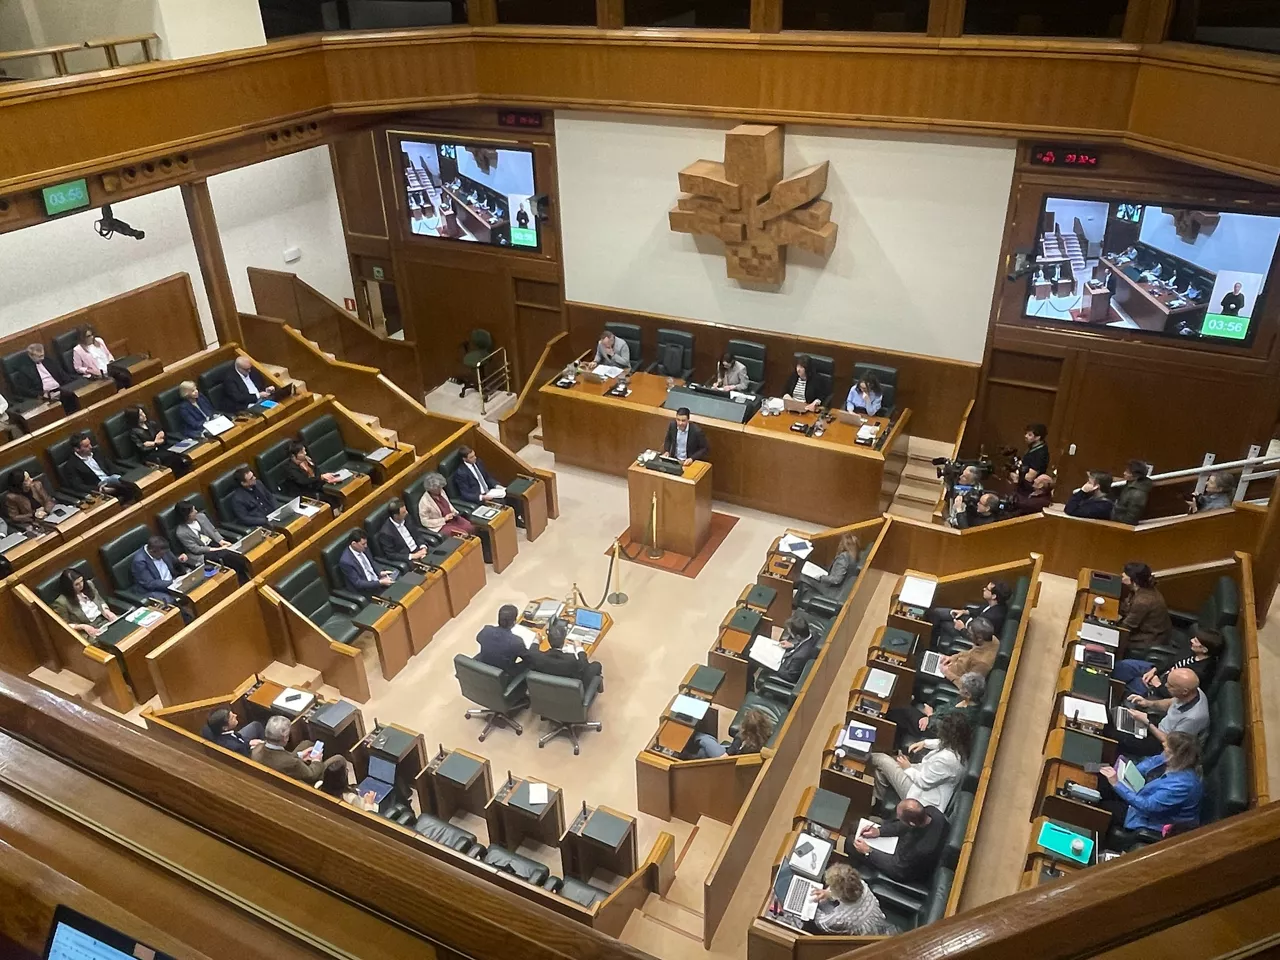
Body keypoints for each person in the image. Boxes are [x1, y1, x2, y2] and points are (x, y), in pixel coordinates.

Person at [1098, 731, 1203, 835]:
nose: (1163, 744)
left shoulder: (1182, 785)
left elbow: (1148, 806)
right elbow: (1150, 763)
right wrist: (1127, 772)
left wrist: (1116, 784)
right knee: (1101, 783)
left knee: (1102, 807)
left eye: (1168, 747)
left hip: (1147, 819)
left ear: (1176, 755)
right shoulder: (1170, 758)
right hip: (1141, 794)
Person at [868, 712, 969, 810]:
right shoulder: (959, 746)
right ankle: (877, 804)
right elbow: (943, 744)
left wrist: (907, 767)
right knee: (881, 769)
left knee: (881, 759)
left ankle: (860, 754)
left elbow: (923, 782)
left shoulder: (946, 760)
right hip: (921, 780)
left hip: (919, 796)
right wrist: (925, 743)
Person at [847, 798, 946, 884]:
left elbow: (897, 868)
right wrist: (879, 831)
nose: (897, 818)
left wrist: (868, 851)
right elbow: (903, 825)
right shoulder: (931, 812)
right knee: (856, 826)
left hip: (903, 868)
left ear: (912, 824)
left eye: (899, 818)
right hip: (904, 850)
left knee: (851, 842)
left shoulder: (921, 849)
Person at [1118, 666, 1209, 755]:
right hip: (1161, 726)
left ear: (1185, 691)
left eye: (1171, 685)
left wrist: (1147, 722)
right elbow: (1171, 702)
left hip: (1164, 745)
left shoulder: (1193, 718)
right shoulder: (1193, 691)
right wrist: (1148, 703)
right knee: (1125, 718)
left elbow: (1171, 743)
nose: (1165, 685)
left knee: (1119, 737)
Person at [887, 672, 984, 753]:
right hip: (934, 718)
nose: (959, 690)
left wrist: (930, 716)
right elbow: (946, 707)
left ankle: (889, 744)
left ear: (968, 694)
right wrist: (932, 714)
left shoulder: (967, 715)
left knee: (902, 710)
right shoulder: (962, 698)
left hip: (935, 731)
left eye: (962, 688)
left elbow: (946, 729)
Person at [1112, 627, 1222, 698]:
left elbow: (1177, 694)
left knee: (1125, 687)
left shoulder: (1197, 674)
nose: (1192, 640)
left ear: (1204, 650)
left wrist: (1157, 685)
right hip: (1160, 672)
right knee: (1123, 666)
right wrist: (1154, 671)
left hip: (1161, 689)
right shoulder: (1192, 650)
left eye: (1196, 641)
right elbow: (1172, 660)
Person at [173, 500, 250, 584]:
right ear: (186, 515)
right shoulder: (181, 532)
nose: (196, 511)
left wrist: (221, 541)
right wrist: (219, 549)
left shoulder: (201, 517)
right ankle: (243, 581)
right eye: (192, 511)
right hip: (204, 553)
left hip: (214, 544)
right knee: (231, 558)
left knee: (238, 555)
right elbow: (196, 549)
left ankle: (245, 577)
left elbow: (213, 531)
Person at [806, 864, 894, 936]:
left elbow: (821, 923)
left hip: (867, 941)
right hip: (884, 927)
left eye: (831, 888)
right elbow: (845, 887)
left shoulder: (840, 918)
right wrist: (827, 893)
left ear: (839, 896)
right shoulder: (863, 885)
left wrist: (808, 902)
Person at [527, 618, 604, 686]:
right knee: (596, 665)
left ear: (548, 640)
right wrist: (579, 647)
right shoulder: (572, 660)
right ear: (564, 641)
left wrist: (537, 640)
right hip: (572, 690)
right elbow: (584, 665)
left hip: (546, 688)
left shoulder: (538, 657)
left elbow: (532, 650)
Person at [927, 580, 1009, 643]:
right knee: (937, 612)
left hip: (967, 631)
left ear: (994, 596)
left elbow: (978, 639)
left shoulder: (992, 618)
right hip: (970, 621)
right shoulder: (995, 604)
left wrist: (961, 628)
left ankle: (931, 645)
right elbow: (979, 610)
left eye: (987, 589)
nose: (984, 589)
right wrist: (964, 612)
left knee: (942, 623)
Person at [251, 715, 325, 782]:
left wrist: (300, 755)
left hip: (269, 779)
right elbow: (311, 775)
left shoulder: (256, 750)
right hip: (292, 784)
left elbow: (279, 756)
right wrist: (316, 761)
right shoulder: (293, 763)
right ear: (285, 738)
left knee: (307, 743)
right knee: (331, 761)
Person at [1119, 561, 1173, 652]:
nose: (1122, 575)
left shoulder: (1143, 601)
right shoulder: (1143, 589)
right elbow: (1127, 606)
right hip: (1146, 631)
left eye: (1126, 574)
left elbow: (1126, 628)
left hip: (1150, 638)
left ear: (1134, 580)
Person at [51, 568, 118, 639]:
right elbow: (65, 625)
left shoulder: (89, 585)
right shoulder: (61, 602)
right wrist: (82, 626)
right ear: (69, 587)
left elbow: (100, 600)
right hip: (88, 630)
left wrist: (107, 611)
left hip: (104, 619)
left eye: (81, 581)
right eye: (77, 584)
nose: (81, 585)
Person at [795, 531, 860, 605]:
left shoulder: (843, 557)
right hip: (837, 588)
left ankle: (792, 600)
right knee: (806, 579)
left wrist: (821, 577)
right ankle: (796, 600)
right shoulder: (854, 556)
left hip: (832, 591)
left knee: (804, 576)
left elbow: (836, 580)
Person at [757, 613, 820, 688]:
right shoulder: (814, 634)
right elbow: (804, 646)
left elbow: (791, 677)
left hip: (785, 667)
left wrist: (774, 667)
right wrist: (792, 645)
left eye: (791, 633)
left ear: (798, 637)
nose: (790, 634)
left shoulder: (799, 657)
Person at [685, 706, 773, 759]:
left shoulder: (744, 742)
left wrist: (738, 740)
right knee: (702, 751)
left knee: (703, 739)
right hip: (730, 752)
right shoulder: (766, 735)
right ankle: (692, 755)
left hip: (726, 759)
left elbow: (727, 756)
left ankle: (689, 744)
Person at [130, 535, 192, 604]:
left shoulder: (162, 549)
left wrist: (179, 560)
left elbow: (174, 562)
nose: (164, 556)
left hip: (173, 582)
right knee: (169, 600)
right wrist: (173, 583)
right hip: (155, 590)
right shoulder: (139, 561)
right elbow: (150, 584)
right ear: (152, 551)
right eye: (161, 554)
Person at [10, 343, 72, 409]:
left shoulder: (49, 360)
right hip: (45, 395)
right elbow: (26, 390)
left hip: (61, 388)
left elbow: (62, 374)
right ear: (31, 356)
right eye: (39, 356)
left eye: (43, 355)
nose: (42, 358)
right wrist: (42, 394)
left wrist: (70, 384)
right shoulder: (24, 370)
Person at [281, 441, 343, 507]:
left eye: (304, 450)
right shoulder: (289, 468)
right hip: (303, 492)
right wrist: (321, 477)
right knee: (328, 499)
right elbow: (303, 481)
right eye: (301, 452)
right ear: (293, 456)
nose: (305, 453)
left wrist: (326, 478)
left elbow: (317, 471)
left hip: (314, 486)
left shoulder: (307, 459)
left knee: (335, 492)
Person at [65, 431, 127, 498]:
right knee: (126, 484)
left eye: (90, 444)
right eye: (86, 446)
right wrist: (99, 489)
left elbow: (111, 466)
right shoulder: (71, 465)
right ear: (77, 449)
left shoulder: (96, 451)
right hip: (99, 487)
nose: (91, 447)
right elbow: (79, 486)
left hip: (111, 479)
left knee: (119, 480)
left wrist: (115, 476)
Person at [475, 603, 530, 676]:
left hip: (484, 669)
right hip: (503, 676)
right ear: (514, 622)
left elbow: (478, 638)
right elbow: (528, 659)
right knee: (530, 664)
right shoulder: (516, 641)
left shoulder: (486, 630)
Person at [938, 618, 998, 683]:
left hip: (952, 677)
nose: (967, 635)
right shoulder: (991, 639)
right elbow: (969, 653)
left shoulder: (982, 664)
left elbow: (967, 685)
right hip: (951, 665)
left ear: (980, 639)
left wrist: (946, 672)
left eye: (970, 634)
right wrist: (951, 658)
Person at [417, 472, 476, 537]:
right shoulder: (424, 502)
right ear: (431, 489)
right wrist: (444, 519)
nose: (440, 489)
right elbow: (425, 522)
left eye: (440, 487)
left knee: (470, 527)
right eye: (438, 488)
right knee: (463, 534)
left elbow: (449, 504)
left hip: (453, 518)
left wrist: (454, 512)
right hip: (441, 526)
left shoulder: (441, 491)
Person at [338, 530, 395, 594]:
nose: (366, 546)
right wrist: (380, 582)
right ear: (354, 544)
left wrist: (380, 572)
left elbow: (371, 562)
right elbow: (358, 583)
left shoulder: (363, 548)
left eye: (366, 543)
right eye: (363, 544)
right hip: (366, 590)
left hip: (377, 580)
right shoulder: (346, 561)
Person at [377, 498, 428, 565]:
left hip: (420, 550)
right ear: (396, 516)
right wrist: (412, 556)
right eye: (403, 512)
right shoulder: (386, 532)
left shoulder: (407, 517)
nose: (407, 512)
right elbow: (391, 555)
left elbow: (417, 533)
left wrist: (423, 547)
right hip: (408, 558)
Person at [200, 706, 264, 758]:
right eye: (232, 718)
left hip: (239, 741)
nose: (235, 715)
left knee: (256, 726)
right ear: (225, 728)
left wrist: (249, 742)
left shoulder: (208, 728)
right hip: (245, 751)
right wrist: (256, 747)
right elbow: (247, 754)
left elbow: (236, 736)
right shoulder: (235, 747)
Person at [1010, 423, 1050, 491]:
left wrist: (1016, 479)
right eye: (1026, 433)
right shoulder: (1033, 447)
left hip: (1027, 490)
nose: (1026, 436)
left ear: (1038, 437)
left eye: (1030, 435)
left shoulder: (1040, 454)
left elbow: (1030, 477)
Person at [1111, 460, 1152, 525]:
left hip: (1122, 525)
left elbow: (1131, 519)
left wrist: (1112, 515)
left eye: (1128, 472)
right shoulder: (1129, 485)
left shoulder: (1138, 494)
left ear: (1136, 476)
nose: (1124, 473)